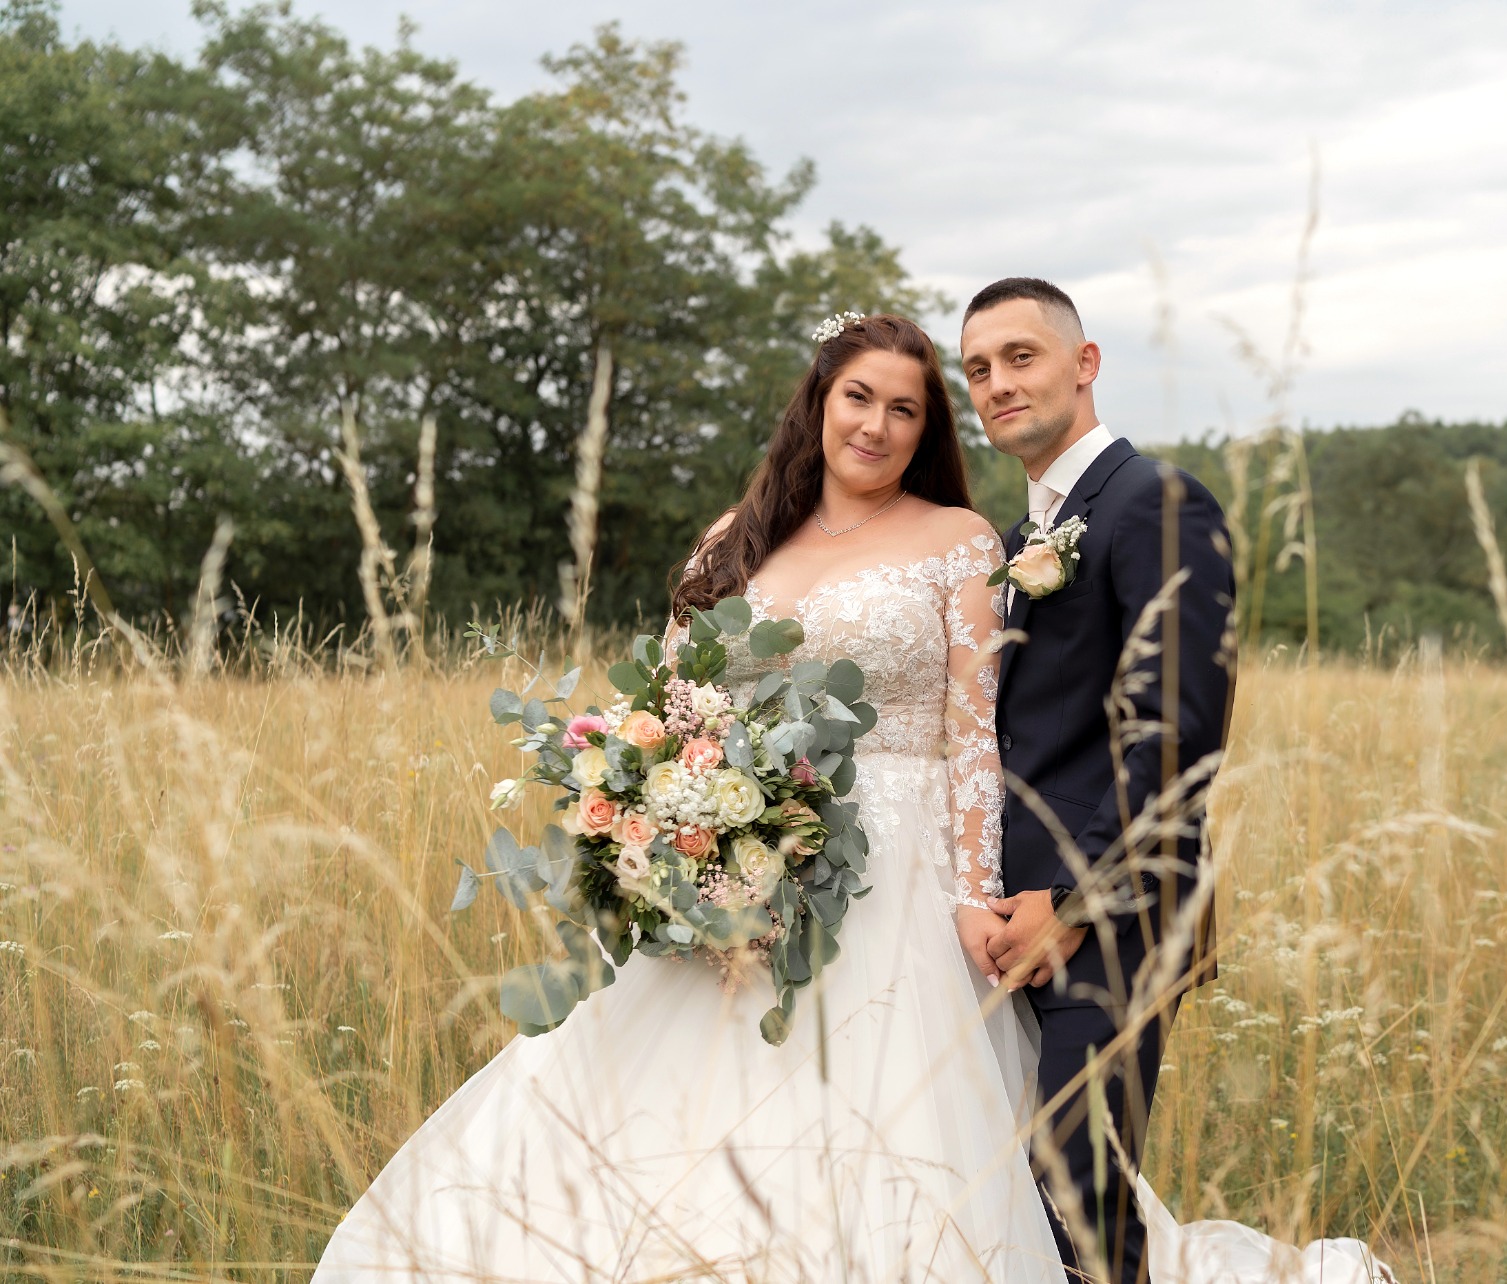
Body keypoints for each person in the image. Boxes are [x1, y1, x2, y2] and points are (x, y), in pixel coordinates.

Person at [316, 310, 1391, 1284]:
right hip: (735, 870)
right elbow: (672, 710)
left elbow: (977, 741)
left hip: (897, 873)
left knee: (927, 1140)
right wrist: (664, 824)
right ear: (819, 403)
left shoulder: (961, 542)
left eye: (906, 408)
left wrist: (972, 896)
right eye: (858, 397)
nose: (876, 424)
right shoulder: (731, 541)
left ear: (928, 429)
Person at [960, 277, 1234, 1283]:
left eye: (1019, 356)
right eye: (977, 369)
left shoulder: (1155, 501)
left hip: (1110, 923)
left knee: (1077, 1204)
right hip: (1010, 924)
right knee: (1018, 1205)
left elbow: (1179, 738)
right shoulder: (1019, 537)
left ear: (1085, 363)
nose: (997, 383)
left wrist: (1073, 903)